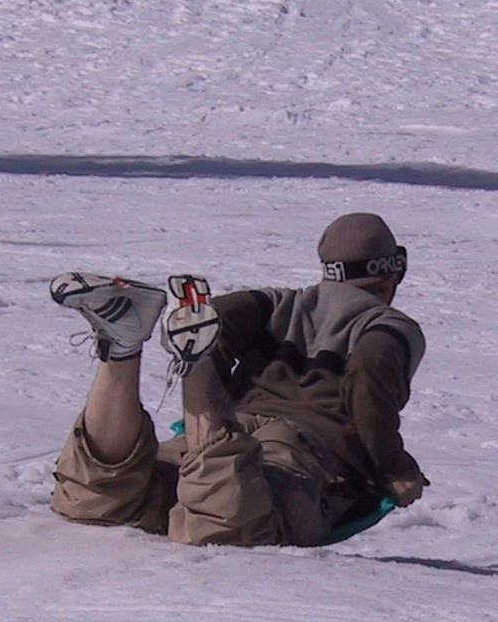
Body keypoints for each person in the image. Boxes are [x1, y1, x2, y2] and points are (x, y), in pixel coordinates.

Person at [47, 213, 427, 547]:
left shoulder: (277, 303)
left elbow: (216, 319)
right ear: (391, 275)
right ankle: (200, 393)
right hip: (302, 454)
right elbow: (368, 382)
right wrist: (393, 469)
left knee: (100, 496)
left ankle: (123, 349)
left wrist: (210, 409)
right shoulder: (389, 327)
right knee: (226, 520)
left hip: (225, 431)